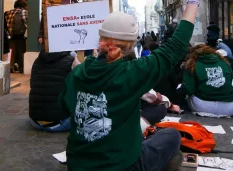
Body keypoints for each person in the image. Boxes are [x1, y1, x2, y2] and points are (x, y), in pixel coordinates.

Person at [59, 0, 199, 170]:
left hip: (78, 164)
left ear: (100, 38)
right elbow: (175, 46)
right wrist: (192, 3)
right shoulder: (132, 72)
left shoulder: (77, 73)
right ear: (131, 45)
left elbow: (63, 107)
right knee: (172, 136)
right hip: (122, 165)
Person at [182, 44, 233, 117]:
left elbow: (188, 89)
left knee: (185, 90)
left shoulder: (192, 64)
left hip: (203, 106)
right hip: (230, 108)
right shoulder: (224, 62)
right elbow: (230, 79)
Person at [29, 49, 74, 132]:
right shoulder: (71, 61)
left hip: (35, 122)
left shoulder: (37, 61)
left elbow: (32, 84)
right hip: (59, 123)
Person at [5, 0, 28, 73]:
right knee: (21, 51)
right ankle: (21, 68)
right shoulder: (23, 12)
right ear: (23, 6)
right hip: (20, 35)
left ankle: (10, 66)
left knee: (11, 52)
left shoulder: (8, 12)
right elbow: (26, 21)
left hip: (10, 35)